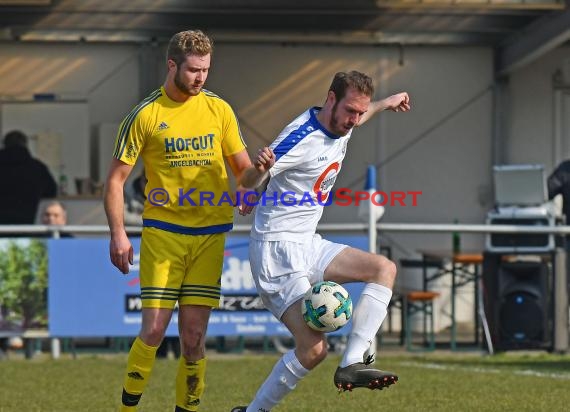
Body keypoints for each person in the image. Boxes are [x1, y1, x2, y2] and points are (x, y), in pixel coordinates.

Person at [103, 29, 273, 412]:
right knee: (154, 330)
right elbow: (114, 181)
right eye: (194, 70)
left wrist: (258, 175)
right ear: (172, 65)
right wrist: (118, 234)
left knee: (194, 337)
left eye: (206, 70)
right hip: (164, 235)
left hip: (211, 236)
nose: (200, 78)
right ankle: (128, 407)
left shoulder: (219, 109)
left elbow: (242, 173)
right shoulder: (145, 114)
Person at [232, 71, 410, 412]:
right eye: (350, 112)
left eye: (359, 113)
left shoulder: (345, 120)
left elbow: (364, 110)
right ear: (330, 99)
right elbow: (247, 181)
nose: (355, 120)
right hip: (276, 249)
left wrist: (387, 103)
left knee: (383, 268)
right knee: (313, 351)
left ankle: (352, 364)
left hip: (307, 242)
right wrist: (257, 172)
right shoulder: (300, 137)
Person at [0, 130, 57, 225]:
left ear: (4, 144)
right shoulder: (38, 167)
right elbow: (51, 191)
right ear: (25, 144)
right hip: (25, 225)